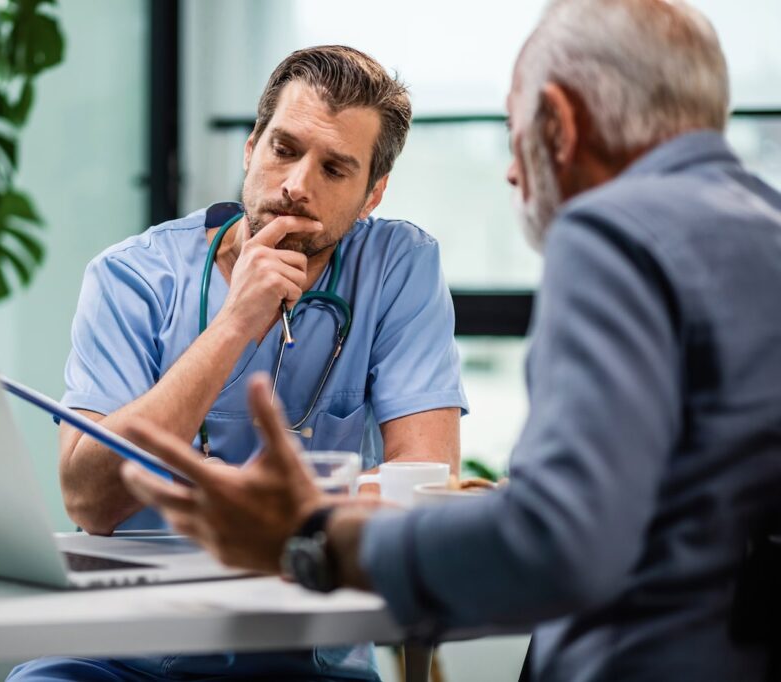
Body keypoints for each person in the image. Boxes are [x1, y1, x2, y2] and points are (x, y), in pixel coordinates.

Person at [120, 1, 781, 680]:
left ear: (558, 122)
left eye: (513, 132)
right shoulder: (768, 229)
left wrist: (313, 537)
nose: (512, 174)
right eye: (284, 148)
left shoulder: (613, 231)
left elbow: (558, 541)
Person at [9, 46, 468, 681]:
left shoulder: (396, 269)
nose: (297, 185)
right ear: (250, 148)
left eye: (335, 168)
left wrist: (285, 517)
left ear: (372, 195)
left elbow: (425, 483)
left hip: (308, 654)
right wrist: (235, 323)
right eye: (284, 148)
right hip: (121, 652)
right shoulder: (130, 277)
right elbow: (88, 498)